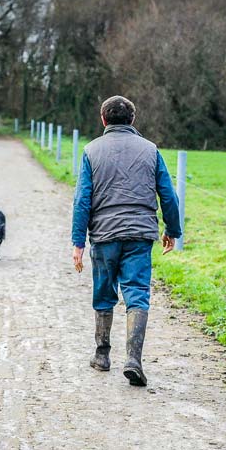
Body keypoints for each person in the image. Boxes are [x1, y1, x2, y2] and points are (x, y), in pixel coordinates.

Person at [71, 95, 182, 387]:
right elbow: (168, 195)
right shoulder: (150, 150)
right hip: (140, 234)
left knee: (104, 292)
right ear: (132, 120)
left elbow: (82, 200)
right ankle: (133, 359)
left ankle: (102, 354)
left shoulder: (91, 150)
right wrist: (172, 229)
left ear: (103, 119)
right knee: (137, 294)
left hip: (104, 234)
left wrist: (78, 243)